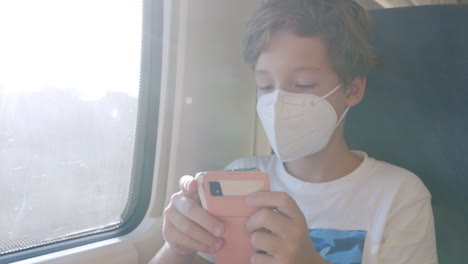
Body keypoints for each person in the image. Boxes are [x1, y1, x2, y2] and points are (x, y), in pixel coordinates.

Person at [151, 0, 438, 263]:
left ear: (352, 89)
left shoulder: (399, 196)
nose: (278, 104)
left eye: (303, 85)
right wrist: (177, 245)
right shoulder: (239, 177)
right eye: (265, 86)